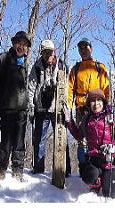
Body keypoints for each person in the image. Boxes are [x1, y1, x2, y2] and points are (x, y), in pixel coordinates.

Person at [0, 31, 31, 181]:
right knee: (5, 141)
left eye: (24, 44)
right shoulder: (3, 58)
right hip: (6, 108)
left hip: (22, 109)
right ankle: (1, 168)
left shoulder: (24, 63)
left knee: (19, 141)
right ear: (13, 43)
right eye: (19, 43)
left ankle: (18, 169)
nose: (21, 46)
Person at [64, 89, 115, 198]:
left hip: (110, 161)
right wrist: (69, 121)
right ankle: (97, 180)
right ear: (89, 104)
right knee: (88, 177)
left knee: (111, 194)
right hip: (95, 160)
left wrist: (113, 146)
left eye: (99, 100)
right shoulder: (87, 119)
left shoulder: (112, 118)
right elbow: (79, 135)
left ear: (103, 102)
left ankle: (106, 179)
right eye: (93, 101)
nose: (96, 103)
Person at [27, 39, 71, 176]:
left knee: (62, 139)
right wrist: (31, 106)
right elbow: (31, 87)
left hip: (57, 109)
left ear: (54, 52)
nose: (48, 55)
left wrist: (67, 107)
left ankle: (65, 170)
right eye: (45, 52)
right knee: (39, 139)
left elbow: (68, 88)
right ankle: (39, 170)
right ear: (41, 53)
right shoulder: (37, 67)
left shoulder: (62, 66)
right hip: (41, 109)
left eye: (50, 52)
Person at [68, 38, 110, 126]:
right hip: (81, 109)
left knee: (96, 136)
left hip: (97, 108)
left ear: (91, 49)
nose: (83, 51)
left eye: (85, 48)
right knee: (81, 137)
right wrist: (69, 106)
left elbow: (106, 88)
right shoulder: (75, 69)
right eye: (80, 49)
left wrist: (107, 106)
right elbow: (70, 89)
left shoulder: (100, 67)